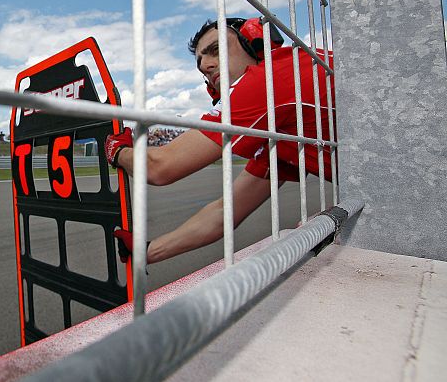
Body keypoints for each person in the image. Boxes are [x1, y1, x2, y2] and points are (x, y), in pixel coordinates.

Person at [105, 17, 334, 265]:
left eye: (215, 50)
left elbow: (159, 167)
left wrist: (118, 151)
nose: (206, 66)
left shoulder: (270, 78)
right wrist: (148, 251)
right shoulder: (282, 117)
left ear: (253, 42)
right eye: (200, 63)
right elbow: (225, 211)